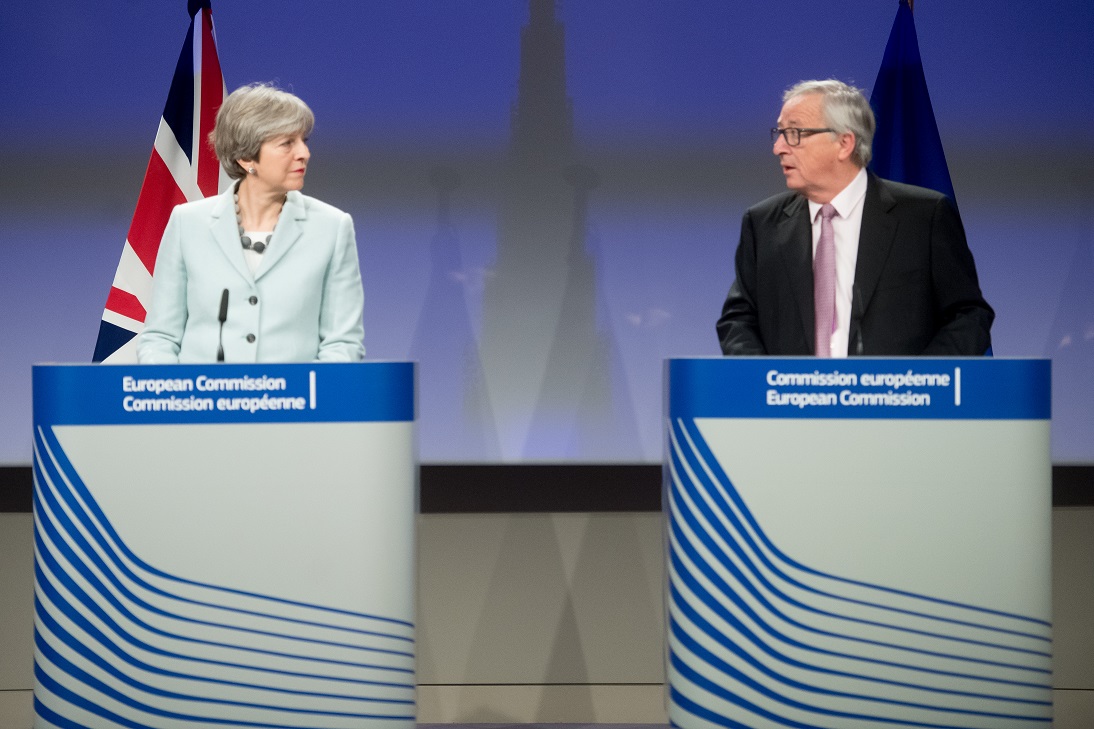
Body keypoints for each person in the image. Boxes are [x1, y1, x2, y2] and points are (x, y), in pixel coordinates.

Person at [717, 79, 993, 357]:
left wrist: (919, 383)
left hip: (897, 396)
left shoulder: (924, 217)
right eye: (779, 133)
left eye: (794, 133)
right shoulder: (763, 223)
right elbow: (738, 320)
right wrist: (764, 381)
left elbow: (969, 316)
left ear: (844, 143)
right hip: (792, 397)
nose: (779, 147)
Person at [138, 83, 365, 363]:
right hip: (201, 400)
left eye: (304, 141)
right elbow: (161, 337)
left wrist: (306, 398)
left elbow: (342, 343)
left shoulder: (332, 228)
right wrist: (177, 400)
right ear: (246, 158)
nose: (304, 153)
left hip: (295, 402)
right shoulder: (188, 224)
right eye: (287, 144)